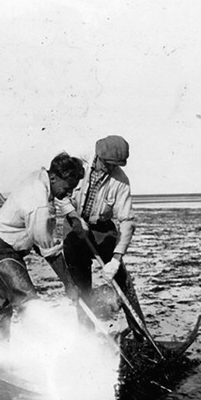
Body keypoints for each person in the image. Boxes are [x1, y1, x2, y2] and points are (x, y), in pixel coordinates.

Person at [0, 152, 84, 349]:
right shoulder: (39, 204)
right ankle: (36, 357)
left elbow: (40, 238)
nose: (69, 194)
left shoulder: (42, 177)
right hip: (1, 254)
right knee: (29, 303)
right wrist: (69, 284)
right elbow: (50, 251)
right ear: (54, 177)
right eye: (67, 188)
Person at [63, 135, 145, 337]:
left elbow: (127, 221)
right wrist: (74, 217)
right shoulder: (77, 162)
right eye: (108, 164)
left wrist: (116, 259)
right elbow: (60, 195)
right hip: (73, 227)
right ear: (98, 156)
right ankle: (86, 338)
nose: (110, 169)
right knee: (81, 288)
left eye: (115, 165)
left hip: (102, 229)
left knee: (123, 281)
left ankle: (140, 334)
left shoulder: (121, 180)